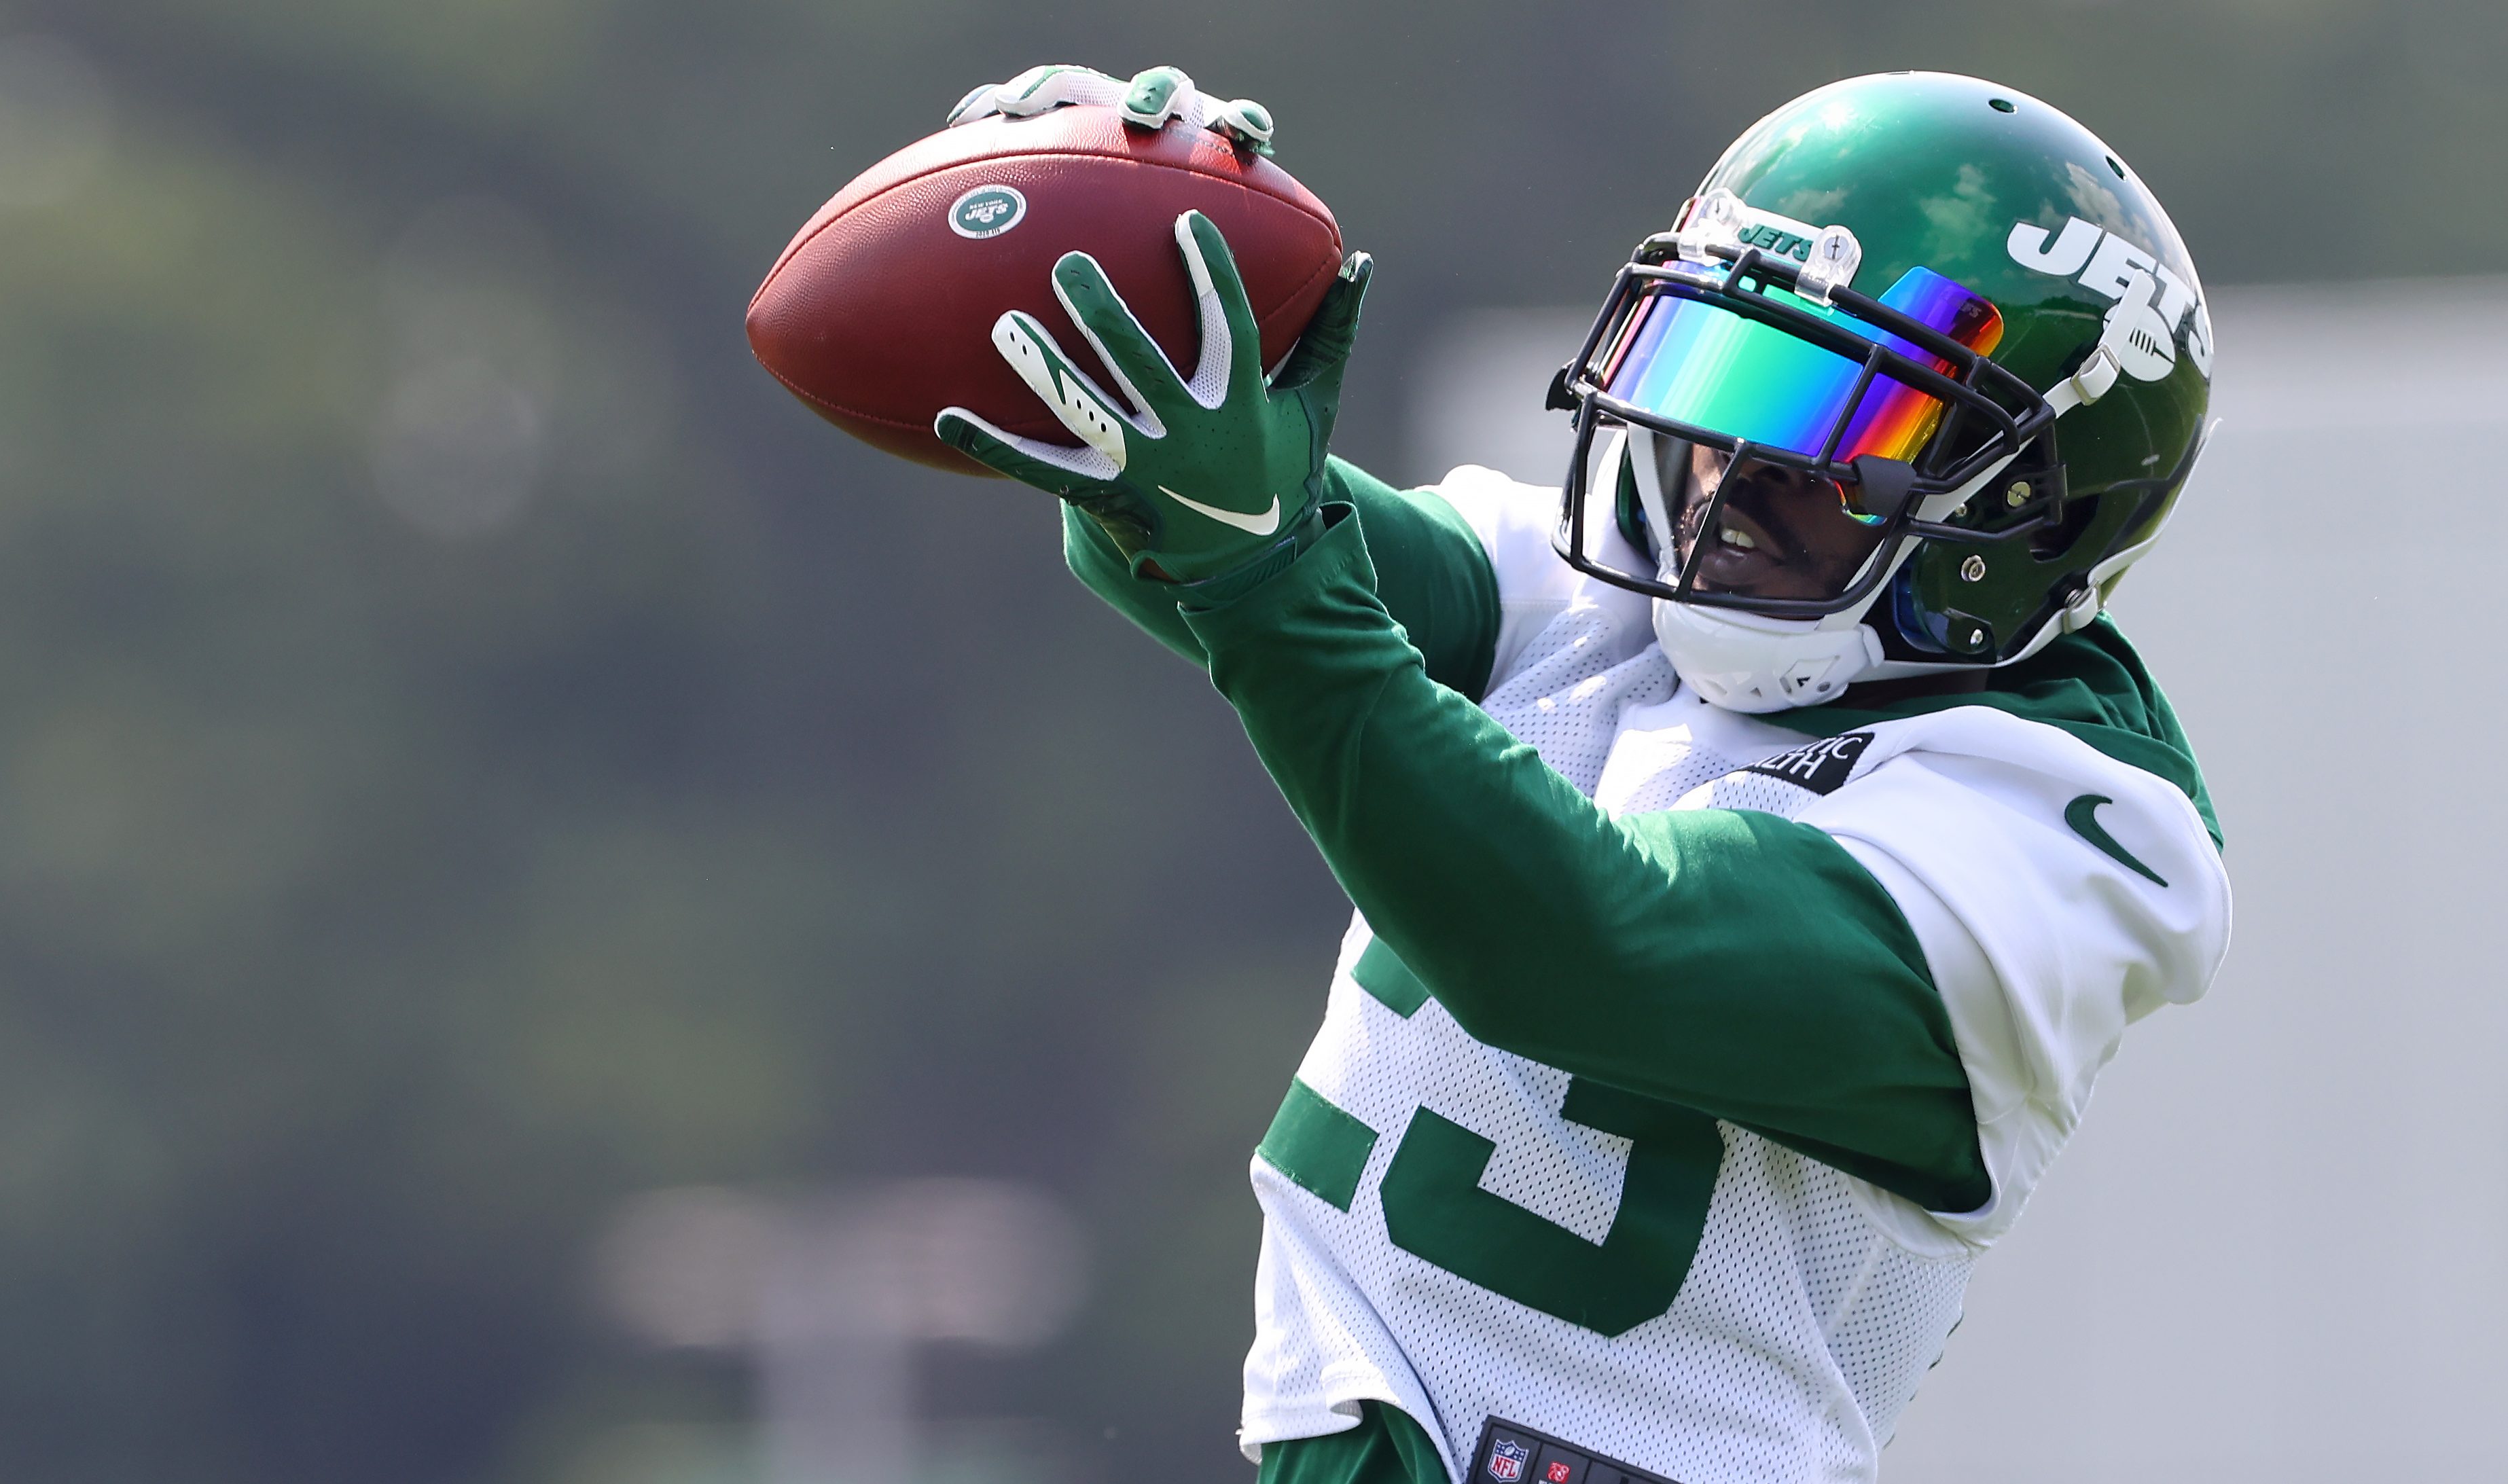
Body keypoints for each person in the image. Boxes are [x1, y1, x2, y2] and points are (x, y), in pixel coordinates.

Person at [935, 66, 2229, 1484]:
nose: (1724, 475)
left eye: (1818, 431)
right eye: (1715, 374)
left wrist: (1252, 558)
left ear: (2014, 519)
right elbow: (1199, 545)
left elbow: (1581, 944)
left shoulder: (2069, 830)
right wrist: (1114, 273)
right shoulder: (1629, 603)